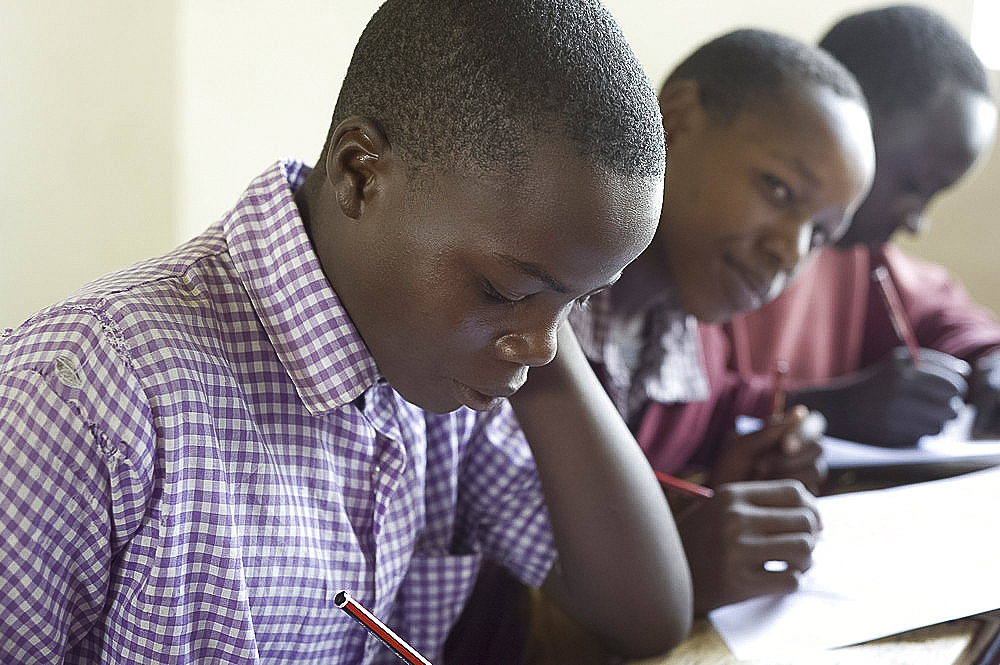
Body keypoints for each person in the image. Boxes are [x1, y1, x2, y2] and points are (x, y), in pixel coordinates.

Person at [0, 1, 694, 663]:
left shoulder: (447, 375)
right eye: (505, 288)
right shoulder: (88, 393)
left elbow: (646, 614)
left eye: (577, 305)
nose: (540, 347)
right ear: (359, 175)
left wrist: (543, 308)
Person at [446, 26, 875, 658]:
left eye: (822, 233)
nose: (790, 250)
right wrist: (669, 568)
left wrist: (722, 475)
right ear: (674, 122)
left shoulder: (687, 339)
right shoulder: (515, 321)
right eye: (778, 190)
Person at [635, 1, 1000, 616]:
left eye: (822, 229)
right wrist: (834, 405)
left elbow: (943, 313)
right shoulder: (702, 259)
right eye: (912, 181)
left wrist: (990, 358)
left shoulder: (852, 251)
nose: (916, 218)